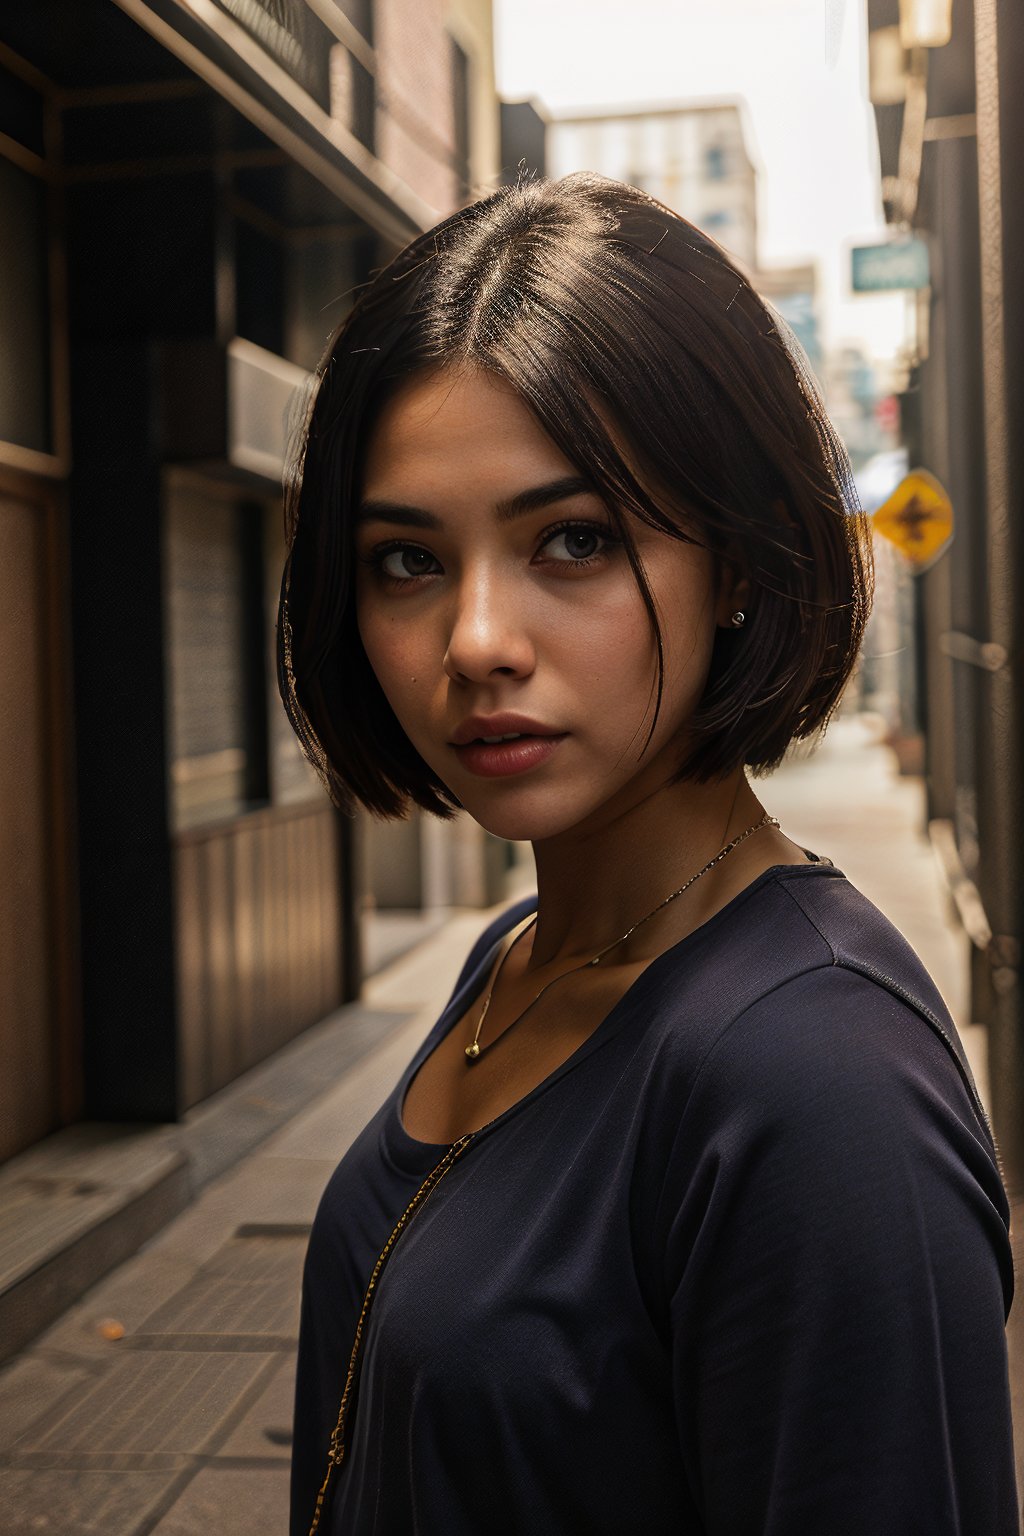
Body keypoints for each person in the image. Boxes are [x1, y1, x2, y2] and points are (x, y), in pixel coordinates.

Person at [279, 174, 1017, 1535]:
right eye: (405, 561)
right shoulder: (521, 960)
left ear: (734, 560)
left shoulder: (817, 1079)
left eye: (573, 540)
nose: (477, 641)